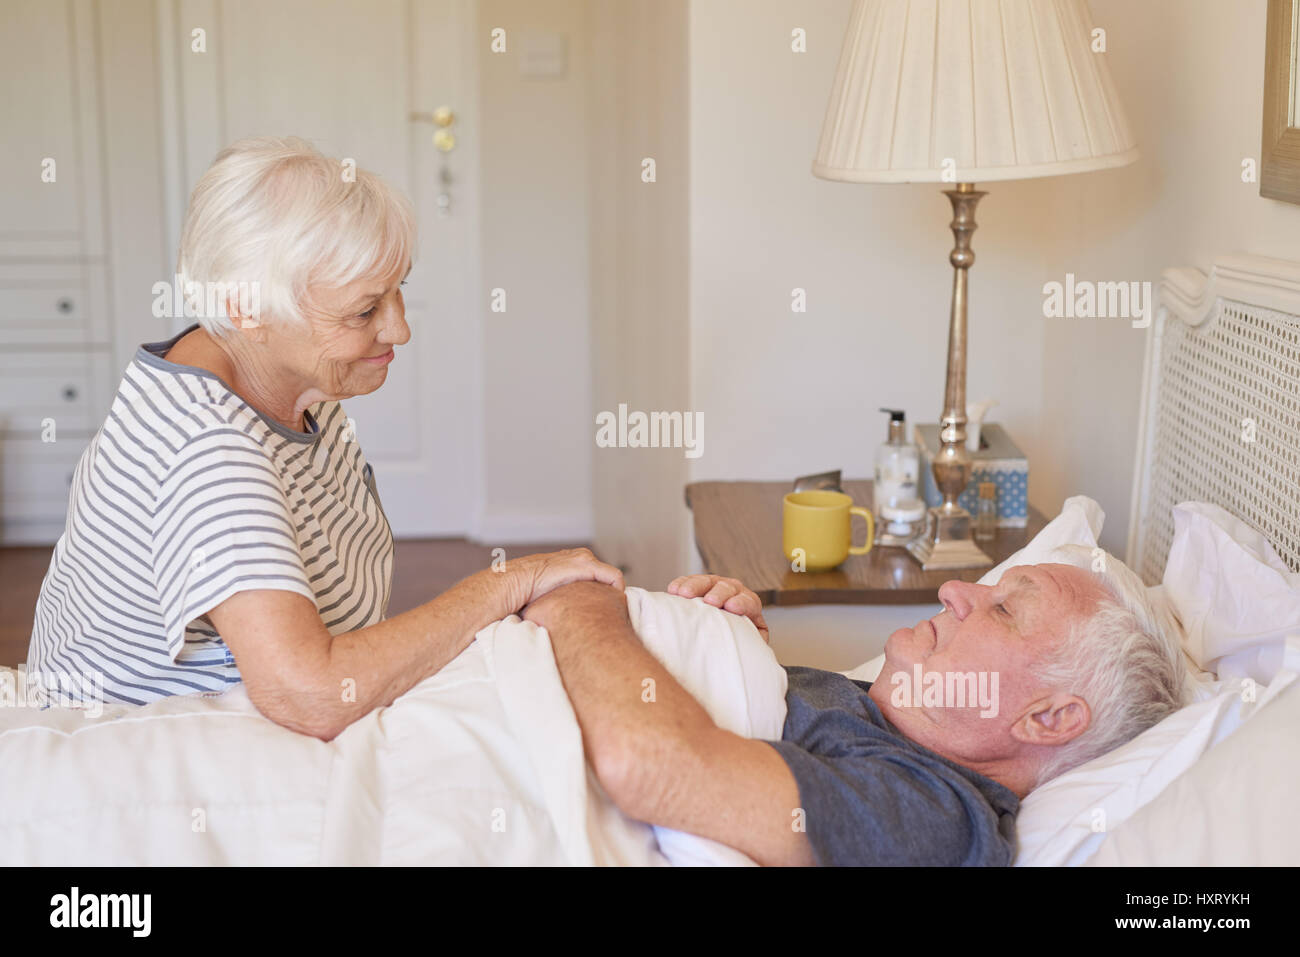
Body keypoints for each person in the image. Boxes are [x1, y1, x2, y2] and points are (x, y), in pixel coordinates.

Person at [25, 136, 667, 736]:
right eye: (365, 310)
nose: (400, 330)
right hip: (146, 744)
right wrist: (506, 583)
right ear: (249, 309)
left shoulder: (292, 379)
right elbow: (310, 692)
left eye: (398, 292)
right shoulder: (205, 450)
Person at [522, 556, 1188, 866]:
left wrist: (576, 601)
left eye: (1005, 608)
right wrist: (741, 661)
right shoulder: (878, 722)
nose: (954, 589)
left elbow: (649, 764)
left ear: (1048, 719)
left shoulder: (936, 816)